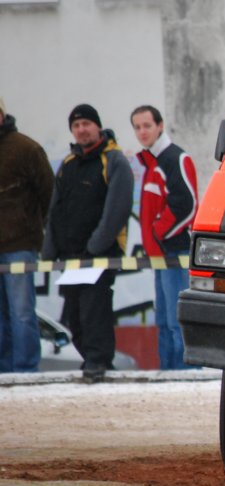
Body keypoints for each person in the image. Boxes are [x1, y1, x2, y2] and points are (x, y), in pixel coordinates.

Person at [42, 104, 132, 382]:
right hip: (69, 256)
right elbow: (54, 208)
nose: (81, 130)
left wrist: (96, 245)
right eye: (76, 126)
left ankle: (98, 363)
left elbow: (117, 209)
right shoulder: (68, 165)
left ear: (97, 126)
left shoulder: (114, 160)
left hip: (98, 256)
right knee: (74, 318)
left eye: (86, 124)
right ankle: (93, 361)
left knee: (95, 311)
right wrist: (50, 248)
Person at [131, 105, 199, 370]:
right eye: (137, 127)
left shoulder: (175, 158)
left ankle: (185, 373)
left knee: (176, 321)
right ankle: (168, 372)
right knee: (164, 321)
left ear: (160, 125)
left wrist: (158, 234)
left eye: (147, 125)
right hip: (159, 256)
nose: (142, 131)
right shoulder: (151, 162)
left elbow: (187, 204)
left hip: (175, 253)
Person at [0, 97, 54, 373]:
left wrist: (38, 231)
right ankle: (4, 369)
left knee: (21, 312)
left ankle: (25, 369)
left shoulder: (26, 148)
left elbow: (49, 194)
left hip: (20, 245)